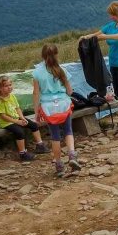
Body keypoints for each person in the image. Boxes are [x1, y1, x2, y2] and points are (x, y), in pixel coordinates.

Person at [80, 1, 118, 131]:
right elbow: (97, 34)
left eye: (114, 14)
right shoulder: (110, 25)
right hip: (115, 65)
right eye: (111, 15)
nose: (111, 17)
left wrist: (106, 36)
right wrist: (86, 37)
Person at [32, 45, 81, 178]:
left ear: (42, 56)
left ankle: (59, 164)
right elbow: (70, 91)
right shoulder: (62, 70)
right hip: (64, 104)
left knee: (55, 135)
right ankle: (72, 154)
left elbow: (36, 93)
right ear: (57, 55)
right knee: (68, 130)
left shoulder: (37, 73)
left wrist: (36, 112)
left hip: (48, 107)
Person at [0, 76, 41, 162]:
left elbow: (17, 108)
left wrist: (23, 118)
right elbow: (3, 116)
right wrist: (17, 122)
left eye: (10, 85)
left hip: (16, 118)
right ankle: (23, 154)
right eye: (6, 86)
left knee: (33, 124)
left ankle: (40, 145)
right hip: (7, 122)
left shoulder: (12, 96)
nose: (9, 87)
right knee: (19, 132)